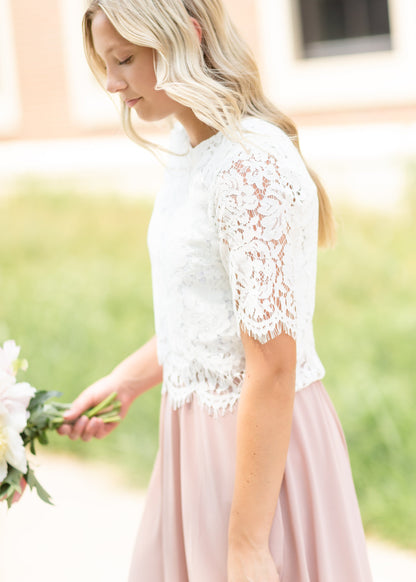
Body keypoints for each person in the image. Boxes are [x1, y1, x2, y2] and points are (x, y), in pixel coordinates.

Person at [58, 1, 373, 581]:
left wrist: (249, 544)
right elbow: (211, 315)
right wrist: (125, 382)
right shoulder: (188, 150)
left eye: (124, 59)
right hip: (194, 443)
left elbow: (274, 363)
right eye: (106, 63)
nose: (111, 82)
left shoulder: (250, 164)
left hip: (258, 455)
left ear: (186, 38)